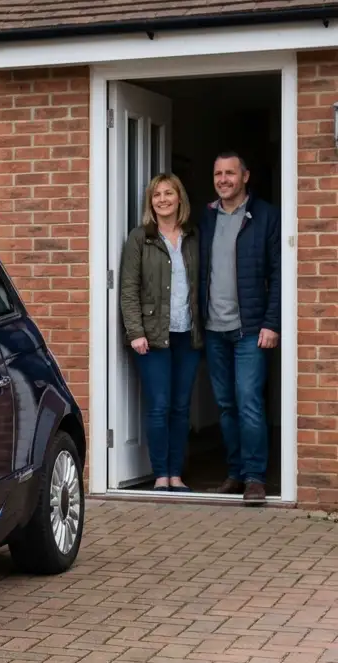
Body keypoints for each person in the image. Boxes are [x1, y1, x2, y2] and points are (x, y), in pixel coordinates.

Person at [199, 152, 280, 505]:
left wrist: (271, 323)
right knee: (226, 405)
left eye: (230, 173)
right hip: (214, 328)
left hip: (250, 329)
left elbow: (279, 272)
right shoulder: (206, 216)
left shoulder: (265, 216)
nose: (223, 179)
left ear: (245, 176)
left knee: (249, 402)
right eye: (218, 173)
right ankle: (234, 472)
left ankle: (255, 477)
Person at [119, 174, 202, 493]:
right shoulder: (140, 238)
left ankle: (176, 474)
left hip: (187, 334)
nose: (163, 199)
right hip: (153, 336)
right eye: (157, 195)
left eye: (169, 193)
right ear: (150, 202)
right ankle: (161, 475)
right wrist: (135, 331)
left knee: (181, 407)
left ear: (180, 198)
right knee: (159, 405)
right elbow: (128, 288)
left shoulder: (193, 236)